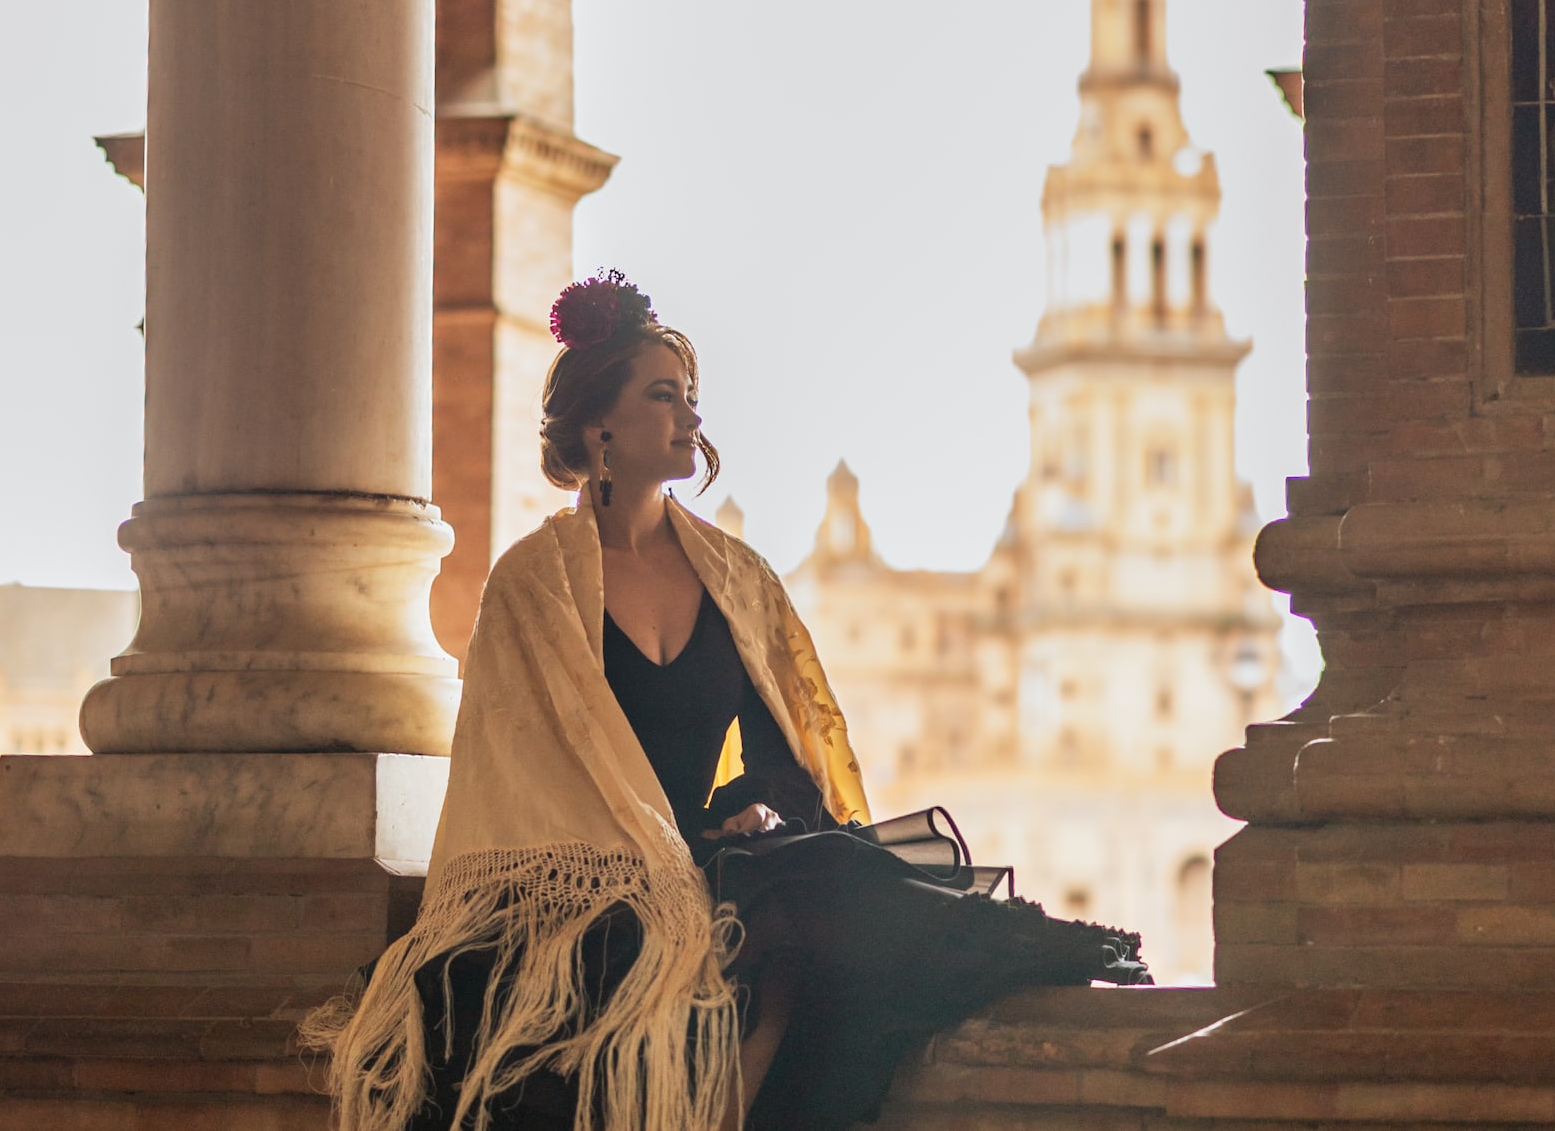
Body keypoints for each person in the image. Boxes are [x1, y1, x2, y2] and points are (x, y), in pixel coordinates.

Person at [306, 270, 1149, 1131]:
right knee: (580, 987)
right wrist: (651, 863)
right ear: (601, 425)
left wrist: (748, 808)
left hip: (710, 860)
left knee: (847, 911)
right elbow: (526, 775)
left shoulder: (738, 579)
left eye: (691, 397)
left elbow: (785, 760)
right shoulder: (533, 584)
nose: (691, 418)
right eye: (665, 396)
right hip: (589, 882)